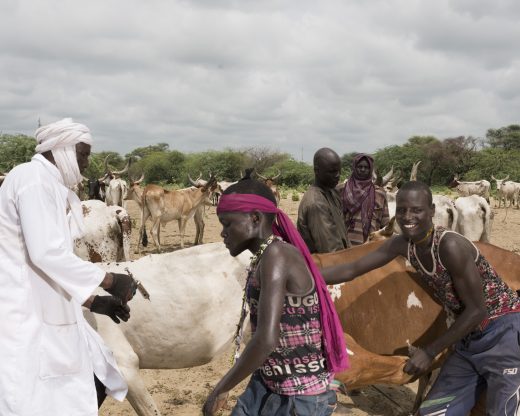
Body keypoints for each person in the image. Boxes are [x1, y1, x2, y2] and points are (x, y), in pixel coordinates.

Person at [322, 180, 520, 415]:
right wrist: (302, 273)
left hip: (503, 333)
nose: (408, 217)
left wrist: (429, 351)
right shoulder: (403, 244)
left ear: (432, 212)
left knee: (504, 411)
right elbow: (352, 269)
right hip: (469, 339)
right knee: (433, 411)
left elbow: (478, 310)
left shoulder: (450, 246)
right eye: (402, 210)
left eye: (416, 210)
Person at [0, 118, 138, 416]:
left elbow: (45, 258)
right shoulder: (34, 180)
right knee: (34, 396)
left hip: (45, 306)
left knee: (89, 377)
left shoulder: (45, 182)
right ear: (61, 150)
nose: (87, 163)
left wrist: (92, 301)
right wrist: (108, 279)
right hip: (27, 314)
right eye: (83, 154)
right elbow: (46, 253)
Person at [203, 175, 348, 416]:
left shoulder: (277, 256)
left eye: (227, 224)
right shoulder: (267, 256)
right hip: (271, 380)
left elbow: (266, 339)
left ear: (255, 219)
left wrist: (220, 388)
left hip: (299, 396)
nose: (222, 233)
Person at [297, 147, 350, 253]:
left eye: (339, 171)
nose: (338, 176)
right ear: (317, 171)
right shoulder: (316, 203)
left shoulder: (332, 192)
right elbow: (330, 251)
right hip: (326, 266)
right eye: (332, 172)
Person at [341, 153, 389, 245]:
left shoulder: (380, 193)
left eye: (366, 167)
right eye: (360, 166)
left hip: (370, 246)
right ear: (354, 167)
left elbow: (385, 225)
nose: (363, 169)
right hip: (344, 246)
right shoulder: (341, 189)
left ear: (370, 169)